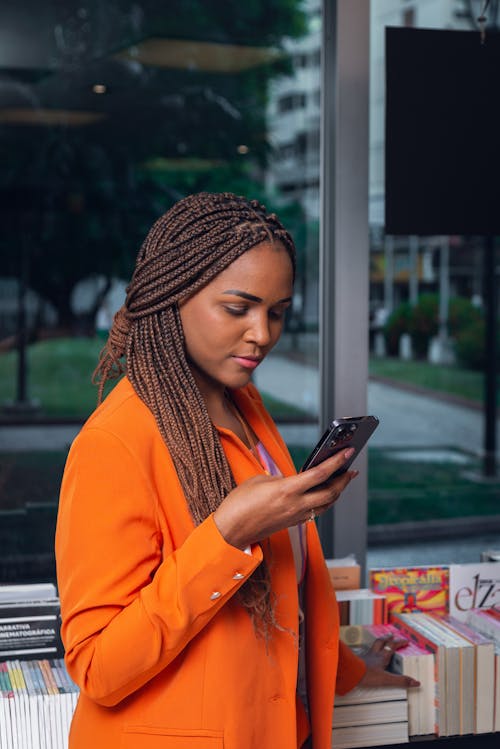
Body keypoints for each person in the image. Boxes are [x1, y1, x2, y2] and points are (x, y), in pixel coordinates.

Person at [55, 192, 417, 749]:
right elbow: (98, 665)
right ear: (172, 296)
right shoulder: (114, 443)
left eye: (277, 312)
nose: (263, 334)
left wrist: (344, 668)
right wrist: (227, 535)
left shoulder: (244, 407)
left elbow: (276, 598)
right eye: (238, 307)